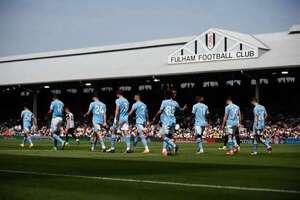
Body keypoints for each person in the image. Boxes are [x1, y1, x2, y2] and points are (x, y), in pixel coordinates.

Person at [153, 89, 187, 156]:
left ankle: (173, 145)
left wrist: (155, 117)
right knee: (169, 137)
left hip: (166, 122)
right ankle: (167, 151)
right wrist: (184, 108)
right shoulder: (175, 103)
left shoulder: (164, 102)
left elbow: (160, 111)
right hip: (173, 122)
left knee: (161, 136)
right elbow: (180, 110)